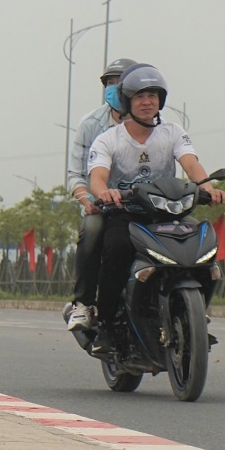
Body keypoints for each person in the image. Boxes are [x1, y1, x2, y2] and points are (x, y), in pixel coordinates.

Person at [86, 64, 225, 330]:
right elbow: (97, 178)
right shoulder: (108, 139)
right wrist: (105, 192)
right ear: (127, 101)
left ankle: (194, 314)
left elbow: (191, 165)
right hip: (125, 213)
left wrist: (208, 189)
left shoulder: (173, 132)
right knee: (116, 249)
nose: (147, 102)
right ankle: (106, 323)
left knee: (204, 247)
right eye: (140, 96)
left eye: (152, 95)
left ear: (160, 100)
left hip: (167, 212)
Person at [62, 58, 134, 332]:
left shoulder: (156, 125)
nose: (115, 89)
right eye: (110, 84)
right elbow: (76, 174)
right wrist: (86, 200)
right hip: (102, 207)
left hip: (143, 207)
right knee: (91, 230)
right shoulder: (91, 125)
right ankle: (83, 303)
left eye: (122, 83)